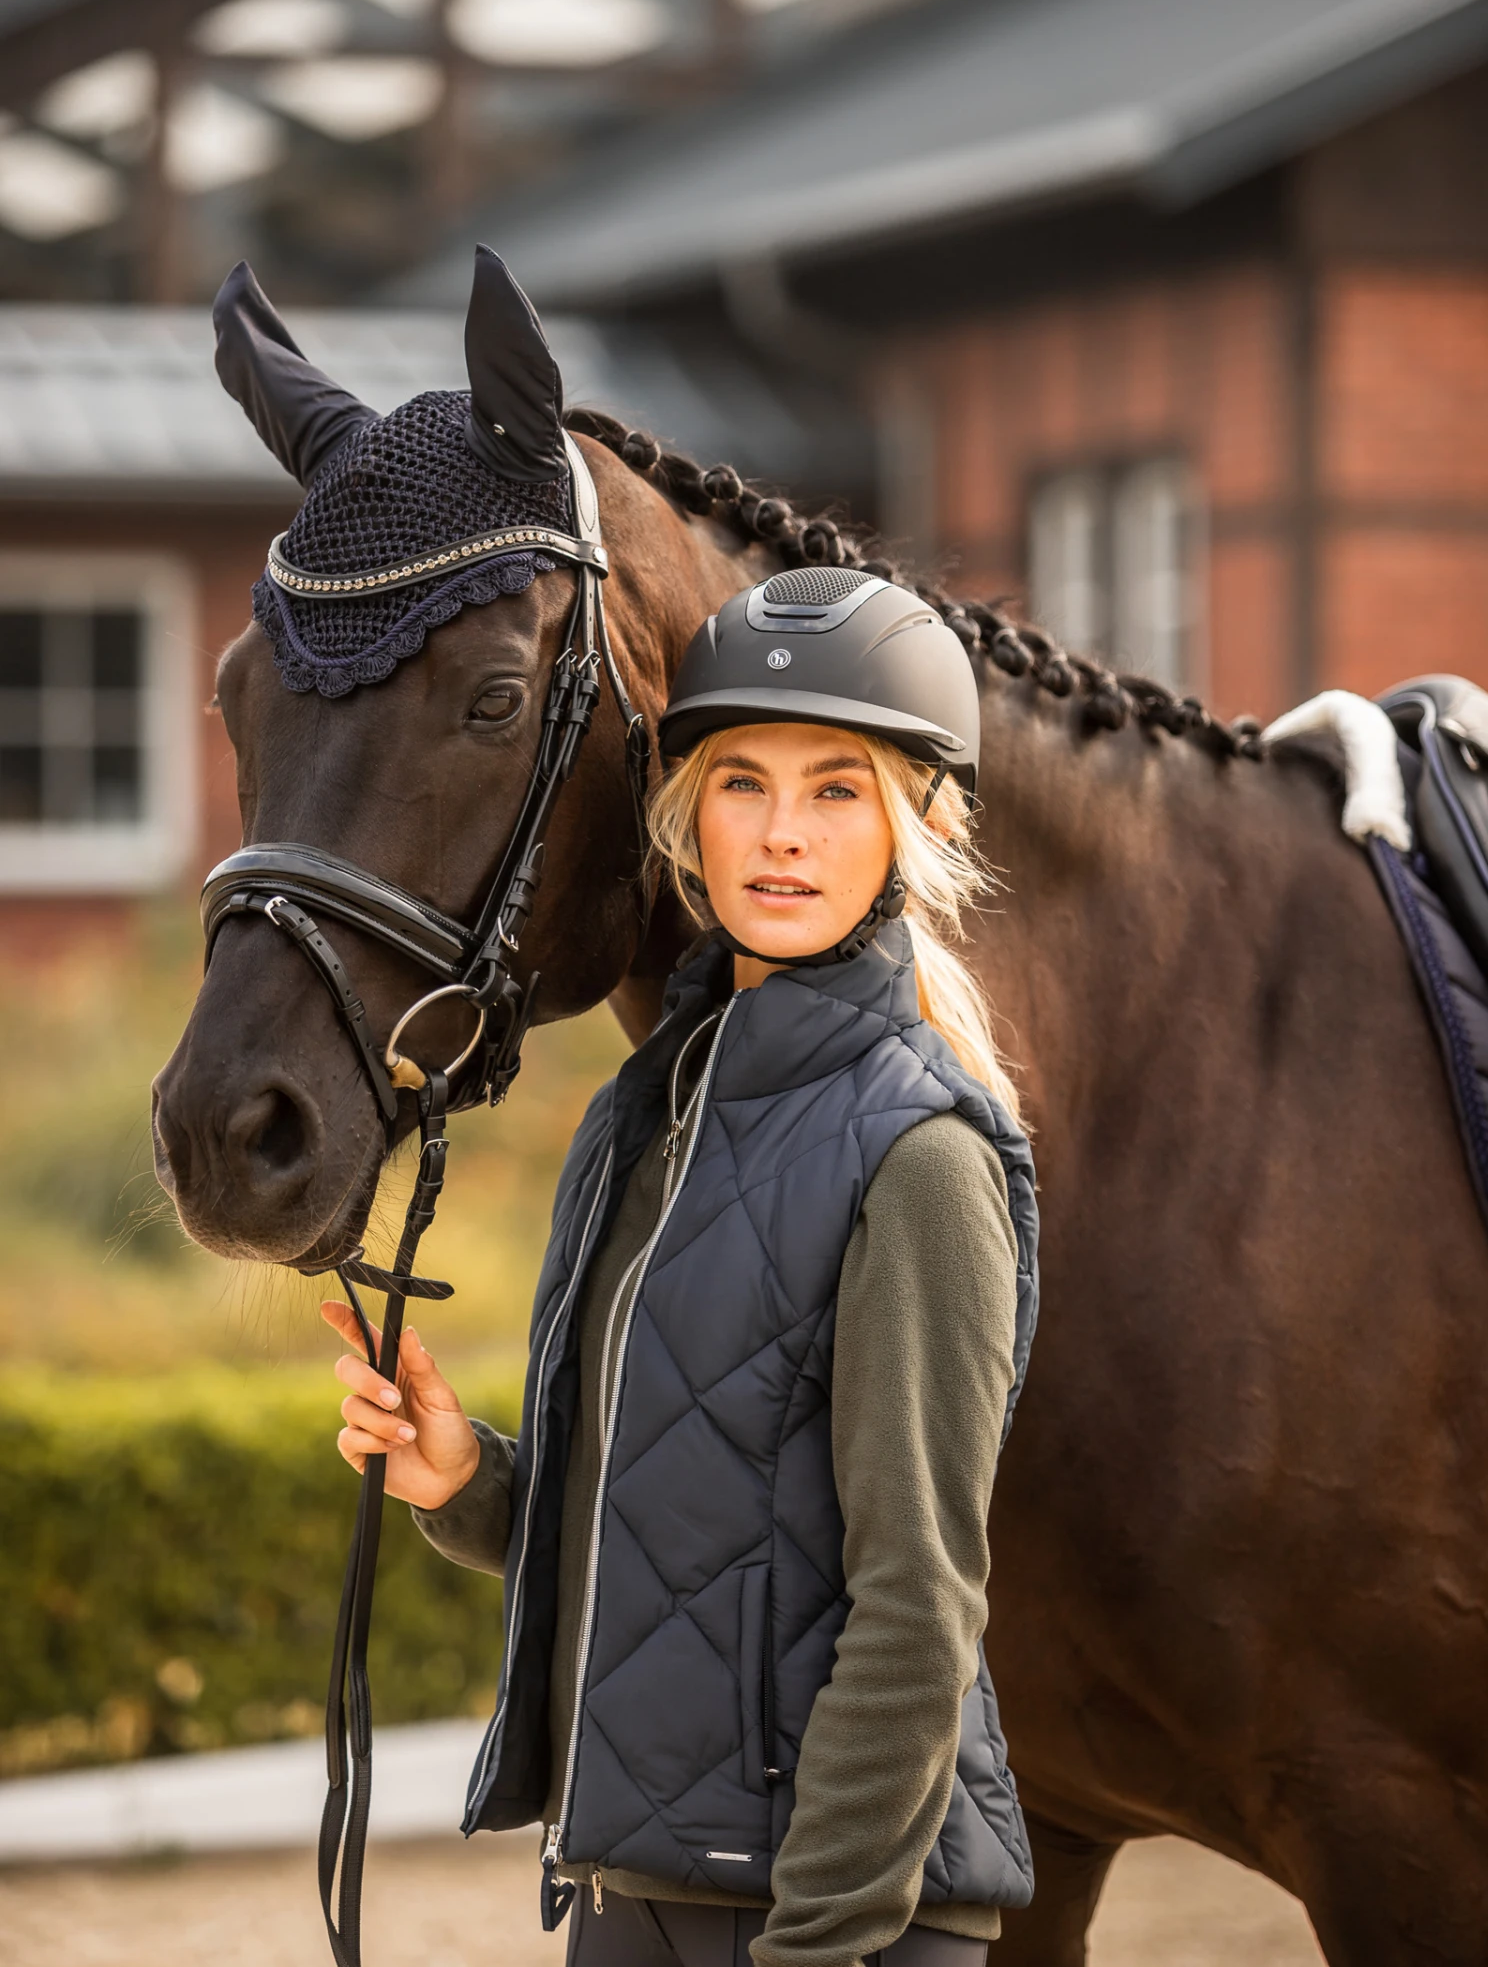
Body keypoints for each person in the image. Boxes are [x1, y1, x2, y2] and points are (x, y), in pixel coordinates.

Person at [324, 567, 1040, 1967]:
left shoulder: (927, 1158)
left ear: (910, 826)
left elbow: (917, 1599)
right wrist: (465, 1477)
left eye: (837, 789)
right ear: (686, 815)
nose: (781, 835)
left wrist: (819, 1940)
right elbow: (676, 1530)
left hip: (835, 1922)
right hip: (632, 1891)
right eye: (742, 785)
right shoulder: (649, 1114)